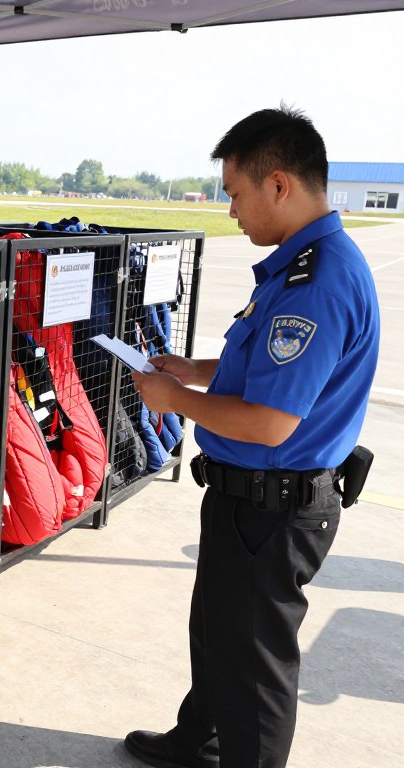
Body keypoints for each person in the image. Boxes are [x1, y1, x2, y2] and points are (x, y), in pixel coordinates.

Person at [126, 106, 380, 768]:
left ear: (278, 185)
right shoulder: (299, 267)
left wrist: (176, 399)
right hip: (250, 500)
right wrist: (198, 371)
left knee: (255, 669)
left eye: (236, 194)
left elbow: (271, 421)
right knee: (216, 636)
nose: (232, 211)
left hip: (274, 507)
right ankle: (200, 739)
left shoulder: (315, 282)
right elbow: (270, 371)